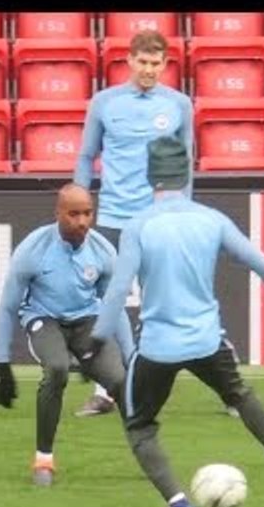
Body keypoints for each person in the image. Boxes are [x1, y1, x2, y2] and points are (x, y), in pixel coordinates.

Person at [91, 136, 264, 507]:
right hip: (207, 340)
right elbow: (260, 262)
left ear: (150, 177)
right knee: (239, 394)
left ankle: (179, 505)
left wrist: (97, 339)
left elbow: (116, 290)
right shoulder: (212, 219)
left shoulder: (138, 226)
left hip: (159, 347)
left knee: (139, 424)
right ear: (187, 173)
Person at [72, 29, 197, 417]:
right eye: (142, 62)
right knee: (106, 303)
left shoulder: (179, 104)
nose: (148, 69)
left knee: (175, 301)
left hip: (159, 220)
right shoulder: (105, 103)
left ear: (165, 64)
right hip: (111, 217)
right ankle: (107, 390)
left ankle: (225, 383)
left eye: (155, 63)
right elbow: (86, 155)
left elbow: (186, 162)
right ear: (129, 61)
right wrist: (77, 203)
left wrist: (183, 210)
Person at [0, 183, 133, 486]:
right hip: (44, 318)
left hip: (86, 319)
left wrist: (130, 354)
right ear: (58, 213)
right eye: (73, 214)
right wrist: (1, 365)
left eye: (88, 213)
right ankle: (44, 459)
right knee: (56, 370)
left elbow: (113, 307)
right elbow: (7, 308)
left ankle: (145, 449)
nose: (82, 221)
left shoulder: (103, 251)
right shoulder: (32, 250)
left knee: (121, 381)